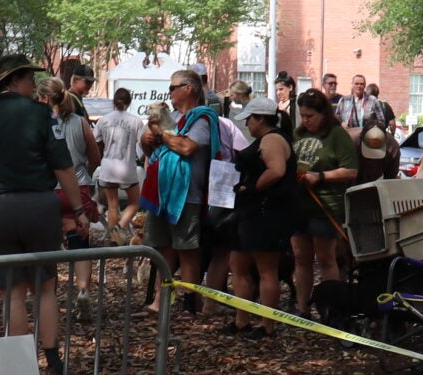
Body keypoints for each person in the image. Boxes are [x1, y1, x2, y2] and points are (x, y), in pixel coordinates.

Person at [0, 54, 95, 375]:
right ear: (15, 79)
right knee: (45, 286)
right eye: (30, 79)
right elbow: (62, 165)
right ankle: (54, 362)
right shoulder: (39, 113)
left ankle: (19, 367)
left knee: (10, 291)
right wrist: (78, 210)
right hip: (37, 205)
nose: (34, 86)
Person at [142, 68, 221, 310]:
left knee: (187, 249)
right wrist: (146, 141)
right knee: (162, 247)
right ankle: (161, 299)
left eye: (172, 87)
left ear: (189, 88)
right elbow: (157, 153)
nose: (170, 93)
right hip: (161, 193)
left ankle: (190, 300)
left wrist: (160, 135)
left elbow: (186, 148)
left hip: (187, 194)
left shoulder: (202, 119)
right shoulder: (171, 118)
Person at [223, 98, 295, 331]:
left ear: (261, 119)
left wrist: (252, 188)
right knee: (238, 264)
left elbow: (276, 171)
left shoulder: (272, 139)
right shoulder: (264, 140)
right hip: (248, 212)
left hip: (266, 212)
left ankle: (267, 325)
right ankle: (241, 320)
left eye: (250, 120)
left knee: (266, 269)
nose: (249, 125)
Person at [287, 89, 359, 312]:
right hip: (300, 206)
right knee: (301, 258)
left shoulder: (337, 135)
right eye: (303, 116)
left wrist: (320, 177)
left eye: (310, 116)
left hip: (326, 205)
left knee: (326, 258)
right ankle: (302, 308)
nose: (306, 120)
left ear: (323, 114)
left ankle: (331, 309)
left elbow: (351, 171)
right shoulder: (298, 134)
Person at [95, 87, 145, 239]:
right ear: (129, 102)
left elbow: (96, 140)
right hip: (126, 168)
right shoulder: (136, 121)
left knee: (112, 204)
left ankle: (113, 238)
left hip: (108, 167)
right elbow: (141, 146)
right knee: (135, 202)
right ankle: (120, 227)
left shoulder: (104, 120)